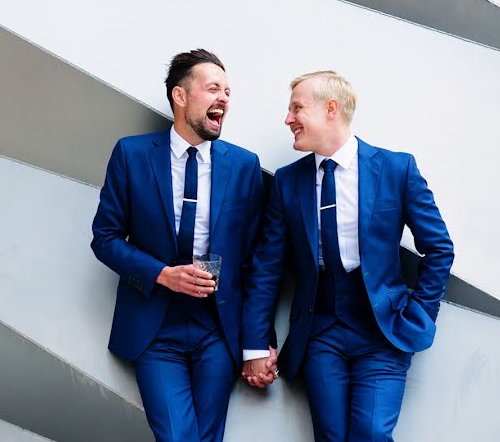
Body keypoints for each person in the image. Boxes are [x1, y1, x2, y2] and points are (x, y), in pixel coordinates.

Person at [242, 71, 454, 442]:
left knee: (371, 434)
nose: (287, 119)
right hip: (320, 331)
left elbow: (439, 248)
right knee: (331, 436)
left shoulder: (395, 169)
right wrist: (257, 342)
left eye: (296, 108)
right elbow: (268, 267)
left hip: (383, 332)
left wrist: (420, 313)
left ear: (330, 109)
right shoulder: (288, 182)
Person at [92, 49, 267, 442]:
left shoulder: (244, 165)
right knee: (177, 436)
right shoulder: (132, 154)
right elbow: (104, 238)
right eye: (212, 88)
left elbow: (259, 261)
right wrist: (163, 275)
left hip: (218, 328)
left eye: (227, 91)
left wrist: (260, 341)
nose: (223, 97)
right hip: (155, 326)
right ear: (180, 96)